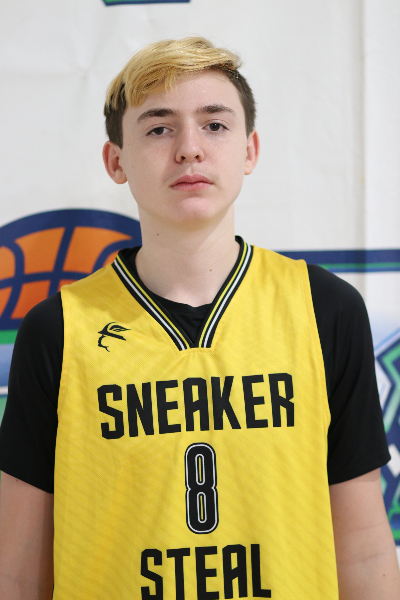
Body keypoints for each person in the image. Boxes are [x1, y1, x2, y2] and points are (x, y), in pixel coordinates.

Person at [0, 36, 398, 600]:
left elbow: (363, 549)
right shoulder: (60, 330)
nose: (190, 148)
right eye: (159, 129)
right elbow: (18, 572)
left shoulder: (323, 308)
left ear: (249, 150)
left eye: (214, 125)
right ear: (116, 160)